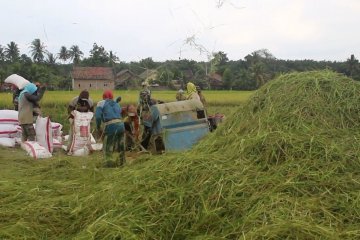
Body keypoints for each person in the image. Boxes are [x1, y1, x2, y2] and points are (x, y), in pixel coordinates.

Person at [96, 90, 125, 167]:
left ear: (103, 96)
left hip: (111, 126)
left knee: (108, 146)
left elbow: (98, 117)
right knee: (121, 145)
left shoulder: (101, 103)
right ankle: (122, 163)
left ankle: (109, 164)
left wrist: (98, 127)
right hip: (121, 125)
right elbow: (119, 112)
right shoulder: (116, 104)